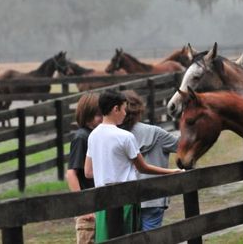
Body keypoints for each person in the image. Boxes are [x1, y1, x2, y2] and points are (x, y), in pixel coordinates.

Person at [84, 89, 182, 242]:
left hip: (103, 201)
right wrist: (171, 172)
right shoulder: (125, 137)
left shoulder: (93, 136)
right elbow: (143, 167)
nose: (125, 113)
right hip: (126, 199)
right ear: (115, 109)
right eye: (123, 109)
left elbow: (88, 172)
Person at [121, 89, 180, 231]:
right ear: (139, 110)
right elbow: (182, 146)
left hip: (125, 199)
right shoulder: (156, 133)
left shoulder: (116, 136)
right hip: (154, 197)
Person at [66, 92, 102, 244]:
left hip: (98, 205)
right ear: (87, 115)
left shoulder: (95, 135)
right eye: (98, 115)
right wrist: (83, 207)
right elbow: (71, 174)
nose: (101, 119)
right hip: (88, 209)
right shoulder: (82, 137)